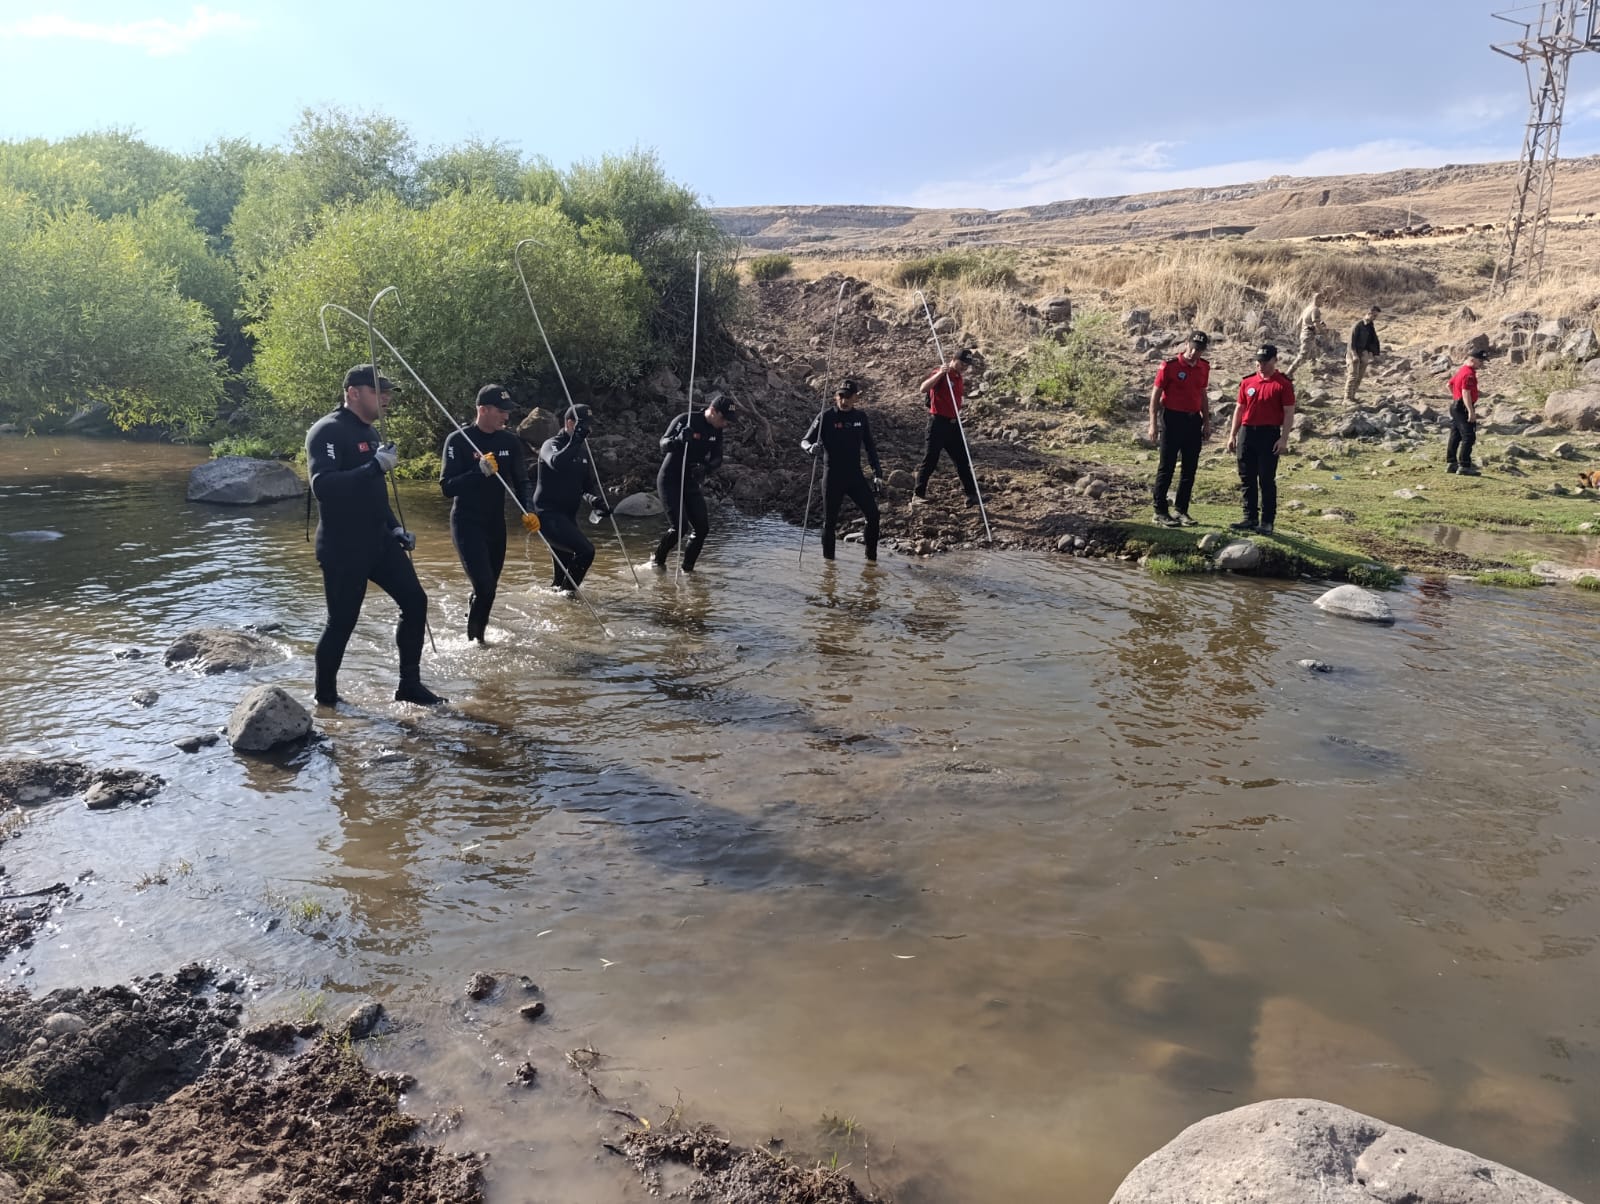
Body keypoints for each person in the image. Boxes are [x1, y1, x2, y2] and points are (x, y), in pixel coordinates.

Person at [307, 364, 445, 707]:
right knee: (342, 623)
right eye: (377, 391)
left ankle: (408, 685)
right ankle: (325, 700)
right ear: (353, 392)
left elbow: (374, 493)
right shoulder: (327, 431)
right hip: (342, 545)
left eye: (387, 392)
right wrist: (374, 466)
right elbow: (322, 486)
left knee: (415, 601)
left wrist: (395, 525)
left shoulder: (371, 433)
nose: (385, 398)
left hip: (379, 540)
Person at [439, 383, 537, 643]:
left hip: (495, 524)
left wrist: (528, 509)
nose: (507, 416)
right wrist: (477, 472)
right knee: (485, 587)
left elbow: (522, 482)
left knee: (488, 590)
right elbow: (447, 488)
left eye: (508, 411)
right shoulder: (458, 440)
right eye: (501, 411)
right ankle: (476, 644)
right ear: (483, 409)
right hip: (466, 523)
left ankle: (473, 624)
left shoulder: (510, 441)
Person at [652, 395, 738, 571]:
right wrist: (678, 440)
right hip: (670, 479)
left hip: (691, 481)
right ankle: (657, 561)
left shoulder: (717, 430)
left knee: (702, 528)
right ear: (712, 411)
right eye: (723, 419)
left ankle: (687, 570)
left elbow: (717, 458)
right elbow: (663, 444)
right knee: (679, 528)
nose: (725, 424)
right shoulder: (686, 420)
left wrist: (705, 468)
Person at [802, 379, 884, 562]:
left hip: (855, 476)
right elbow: (805, 440)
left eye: (848, 397)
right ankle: (829, 567)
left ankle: (871, 560)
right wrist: (810, 448)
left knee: (873, 515)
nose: (843, 400)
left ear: (855, 398)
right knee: (829, 522)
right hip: (833, 477)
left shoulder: (861, 418)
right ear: (835, 397)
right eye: (840, 396)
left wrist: (878, 473)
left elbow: (870, 447)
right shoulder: (826, 417)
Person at [535, 403, 612, 593]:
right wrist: (575, 440)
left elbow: (586, 487)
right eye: (584, 426)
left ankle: (560, 610)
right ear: (570, 423)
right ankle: (568, 599)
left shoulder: (582, 452)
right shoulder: (551, 445)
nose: (588, 431)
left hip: (568, 517)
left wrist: (595, 501)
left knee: (561, 578)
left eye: (589, 426)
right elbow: (556, 463)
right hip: (548, 516)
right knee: (586, 551)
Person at [1226, 344, 1297, 535]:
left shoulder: (1283, 384)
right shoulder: (1247, 382)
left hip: (1269, 434)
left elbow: (1289, 413)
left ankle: (1267, 521)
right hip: (1247, 433)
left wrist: (1283, 439)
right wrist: (1233, 434)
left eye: (1265, 362)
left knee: (1266, 479)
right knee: (1246, 477)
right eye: (1258, 361)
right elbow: (1239, 409)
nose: (1261, 365)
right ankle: (1249, 517)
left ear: (1275, 360)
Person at [1147, 331, 1211, 527]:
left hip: (1193, 421)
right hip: (1171, 419)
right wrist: (1153, 424)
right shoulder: (1170, 366)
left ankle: (1181, 510)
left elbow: (1202, 394)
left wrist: (1207, 422)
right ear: (1186, 344)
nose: (1194, 352)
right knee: (1166, 466)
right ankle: (1159, 510)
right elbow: (1155, 396)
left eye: (1198, 350)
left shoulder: (1204, 367)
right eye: (1192, 347)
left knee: (1189, 468)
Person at [914, 348, 979, 506]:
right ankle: (918, 495)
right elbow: (923, 388)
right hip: (938, 423)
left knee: (962, 460)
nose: (964, 366)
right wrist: (940, 374)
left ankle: (971, 495)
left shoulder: (958, 377)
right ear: (953, 359)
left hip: (953, 423)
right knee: (931, 459)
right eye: (962, 363)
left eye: (967, 364)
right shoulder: (942, 373)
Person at [1447, 349, 1486, 476]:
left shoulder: (1462, 370)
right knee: (1468, 437)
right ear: (1472, 359)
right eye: (1480, 361)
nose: (1481, 364)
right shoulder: (1469, 374)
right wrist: (1470, 411)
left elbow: (1449, 384)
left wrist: (1455, 398)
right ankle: (1464, 465)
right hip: (1463, 407)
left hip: (1456, 406)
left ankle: (1452, 463)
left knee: (1456, 435)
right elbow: (1466, 392)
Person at [1345, 306, 1382, 402]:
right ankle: (1347, 399)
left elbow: (1372, 340)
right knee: (1353, 376)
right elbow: (1351, 342)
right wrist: (1354, 355)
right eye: (1374, 315)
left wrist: (1371, 353)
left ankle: (1352, 397)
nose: (1375, 318)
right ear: (1369, 313)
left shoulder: (1370, 326)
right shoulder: (1358, 325)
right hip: (1354, 353)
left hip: (1363, 354)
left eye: (1376, 316)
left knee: (1359, 377)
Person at [1284, 291, 1324, 375]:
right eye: (1322, 300)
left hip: (1304, 334)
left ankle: (1312, 371)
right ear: (1318, 299)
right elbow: (1316, 323)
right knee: (1303, 356)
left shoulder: (1307, 308)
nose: (1323, 302)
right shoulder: (1315, 310)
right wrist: (1323, 331)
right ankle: (1289, 372)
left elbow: (1298, 323)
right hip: (1309, 335)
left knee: (1313, 353)